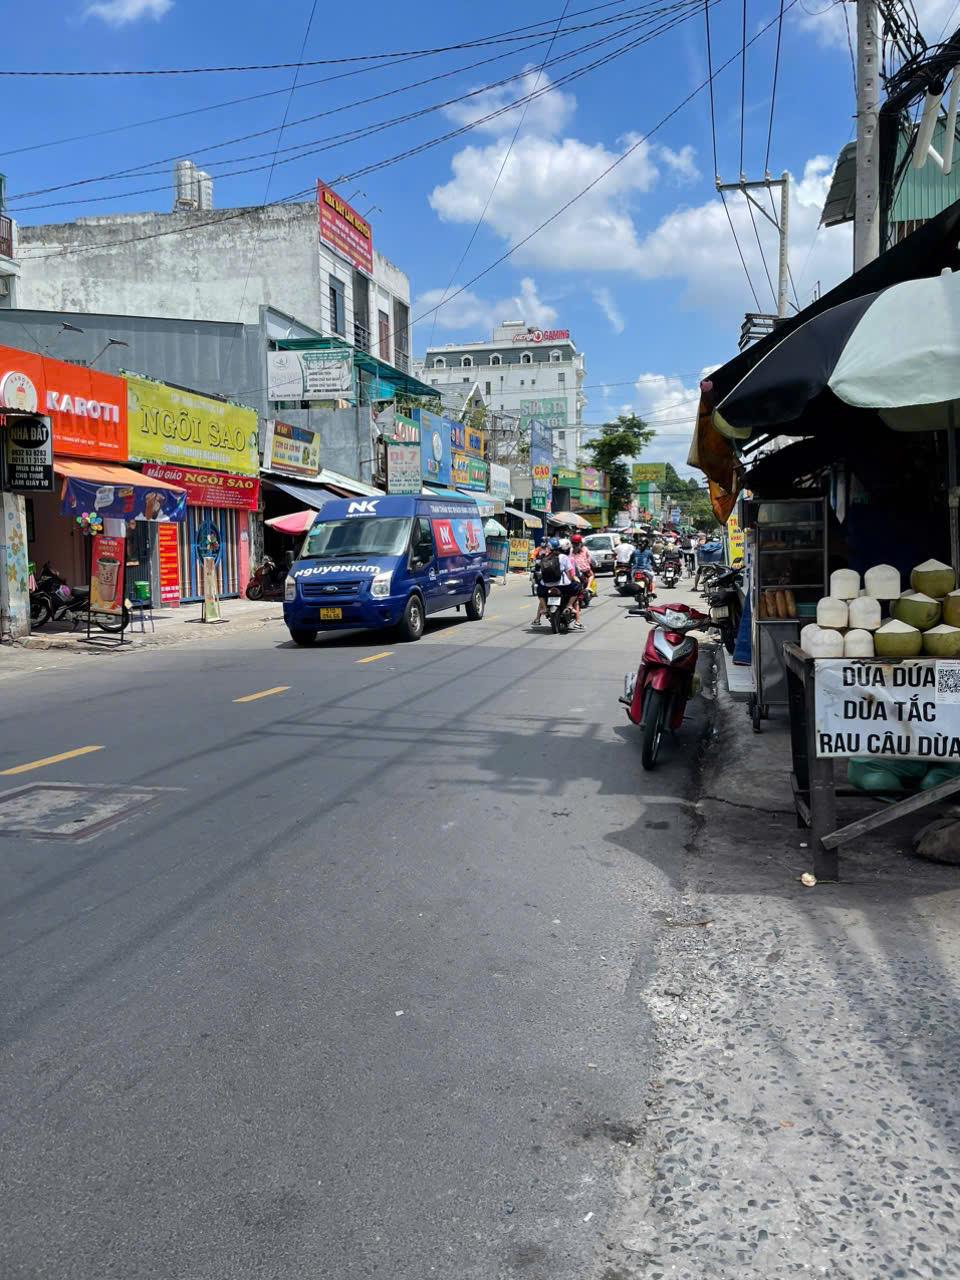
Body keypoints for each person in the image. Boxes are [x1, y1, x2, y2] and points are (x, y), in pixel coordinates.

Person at [533, 537, 580, 625]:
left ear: (548, 547)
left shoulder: (544, 557)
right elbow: (570, 572)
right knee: (576, 589)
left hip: (546, 585)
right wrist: (574, 580)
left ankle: (544, 608)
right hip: (563, 585)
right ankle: (569, 605)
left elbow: (537, 570)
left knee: (539, 592)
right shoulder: (564, 557)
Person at [569, 533, 594, 625]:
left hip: (573, 571)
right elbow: (590, 559)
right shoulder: (585, 549)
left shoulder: (570, 550)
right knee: (591, 575)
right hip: (583, 570)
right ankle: (588, 587)